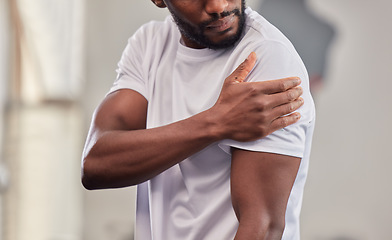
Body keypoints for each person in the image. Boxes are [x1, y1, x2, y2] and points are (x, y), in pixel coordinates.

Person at [81, 0, 315, 239]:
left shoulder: (267, 57)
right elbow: (96, 164)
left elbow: (262, 229)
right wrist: (216, 122)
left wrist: (216, 123)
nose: (219, 5)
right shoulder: (150, 43)